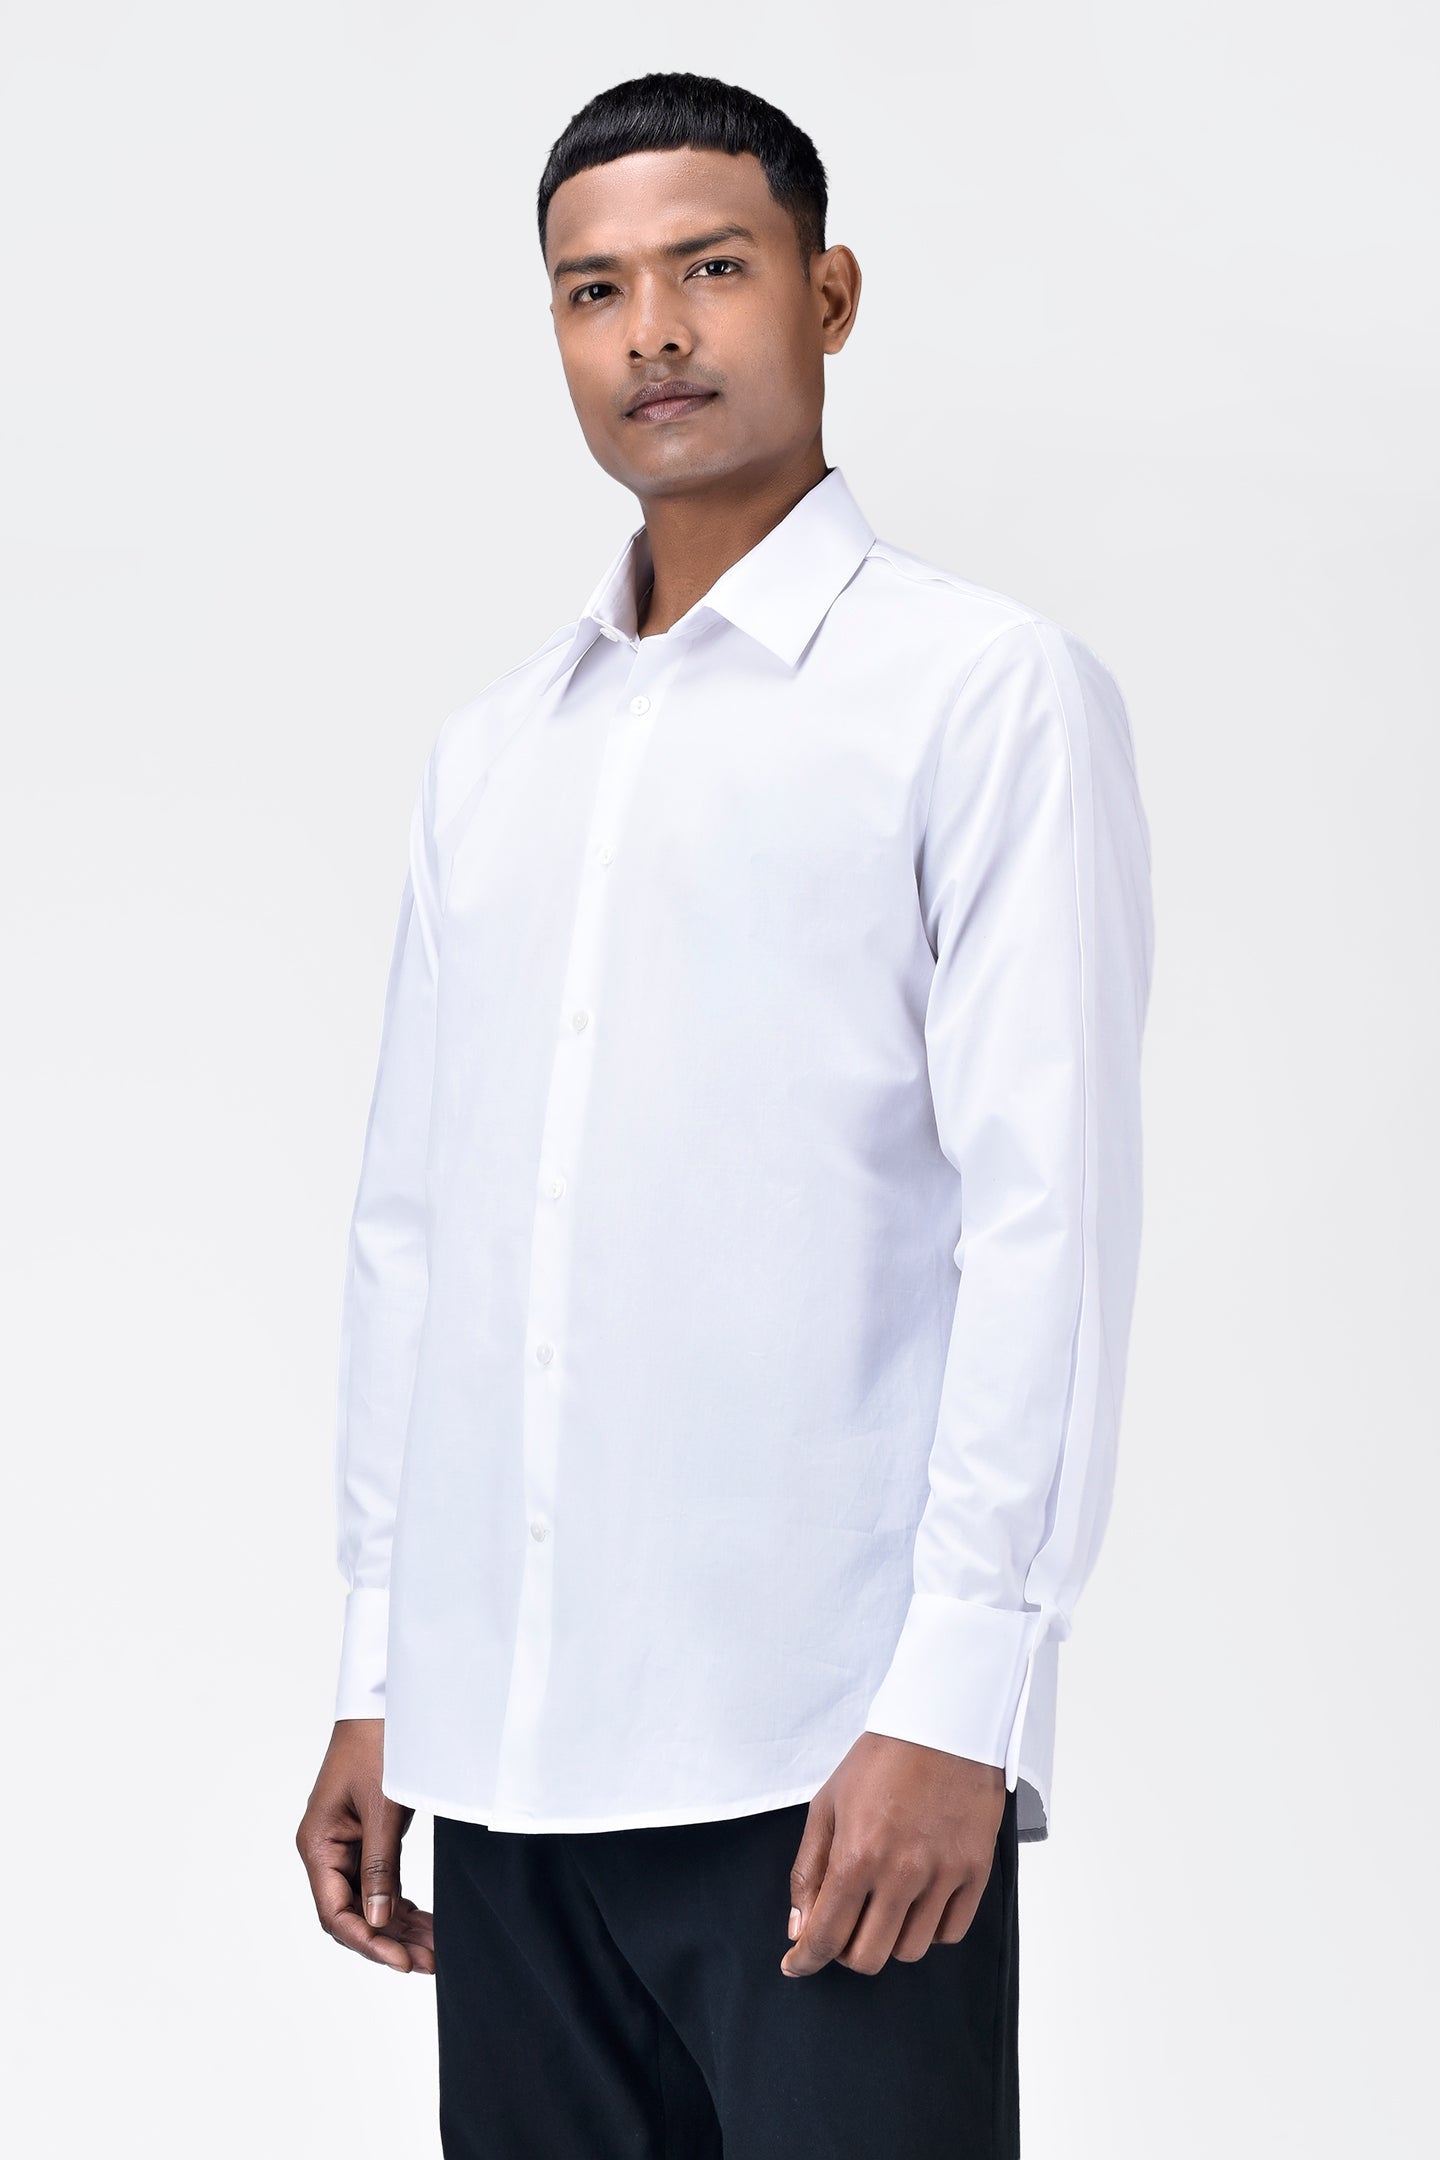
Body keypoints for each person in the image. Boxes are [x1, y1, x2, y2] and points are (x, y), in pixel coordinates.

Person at [295, 68, 1155, 2159]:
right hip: (509, 1776)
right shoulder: (493, 755)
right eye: (594, 290)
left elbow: (1046, 1222)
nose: (653, 333)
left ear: (827, 295)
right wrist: (381, 1667)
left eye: (711, 269)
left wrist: (960, 1701)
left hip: (829, 1766)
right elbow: (420, 1238)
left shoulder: (980, 694)